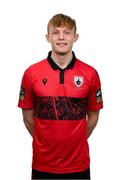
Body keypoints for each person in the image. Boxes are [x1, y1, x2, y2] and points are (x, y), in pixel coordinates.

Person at [18, 13, 103, 179]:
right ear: (47, 37)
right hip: (43, 165)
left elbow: (93, 116)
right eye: (56, 32)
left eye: (67, 32)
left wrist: (76, 141)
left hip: (78, 166)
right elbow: (27, 118)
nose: (61, 37)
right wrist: (45, 142)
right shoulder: (31, 73)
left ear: (75, 37)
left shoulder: (91, 74)